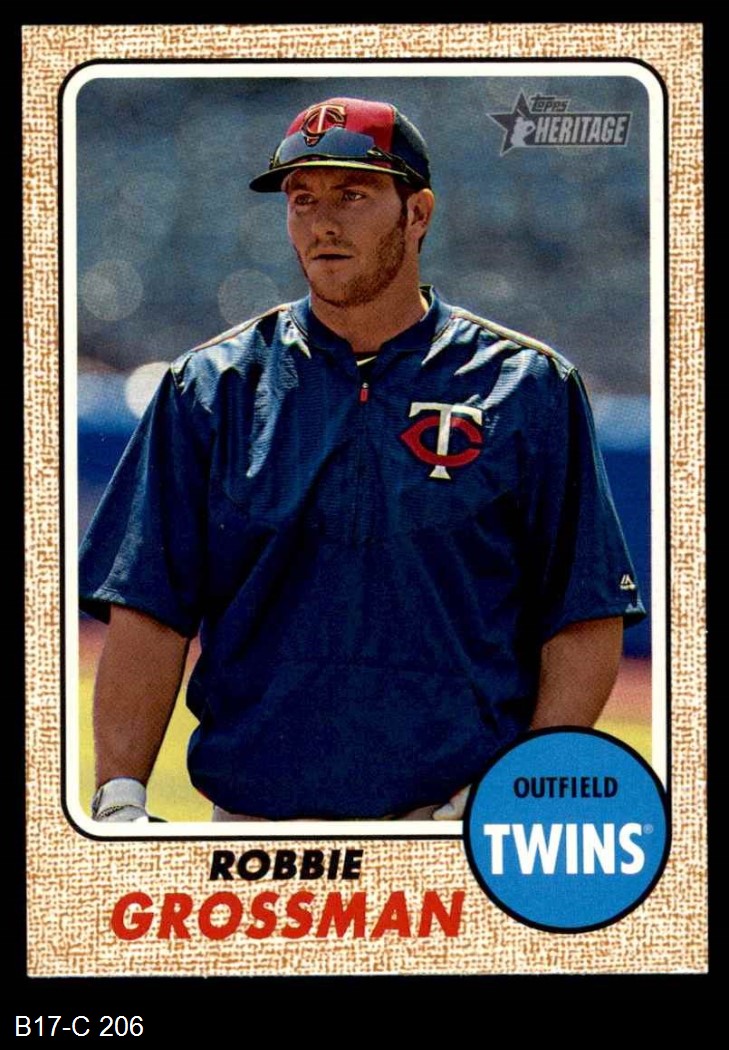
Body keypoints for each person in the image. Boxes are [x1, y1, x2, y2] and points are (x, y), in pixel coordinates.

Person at [80, 96, 645, 824]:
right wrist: (120, 795)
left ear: (418, 213)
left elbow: (583, 615)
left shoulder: (528, 386)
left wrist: (519, 789)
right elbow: (150, 608)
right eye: (301, 199)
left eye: (352, 195)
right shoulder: (210, 387)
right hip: (254, 832)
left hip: (451, 825)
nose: (322, 222)